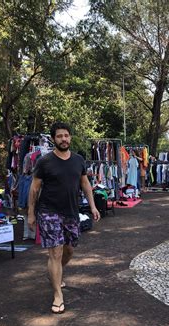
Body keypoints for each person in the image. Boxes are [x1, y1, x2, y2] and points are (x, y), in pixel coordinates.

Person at [28, 122, 100, 314]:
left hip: (71, 212)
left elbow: (85, 184)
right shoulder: (44, 162)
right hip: (48, 211)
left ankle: (54, 272)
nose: (64, 139)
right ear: (53, 139)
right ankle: (58, 294)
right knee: (56, 252)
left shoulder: (78, 160)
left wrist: (93, 206)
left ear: (70, 137)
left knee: (69, 251)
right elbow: (34, 188)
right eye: (59, 136)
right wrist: (30, 213)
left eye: (66, 135)